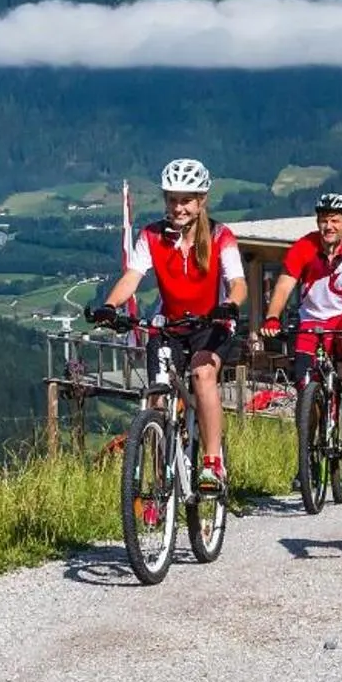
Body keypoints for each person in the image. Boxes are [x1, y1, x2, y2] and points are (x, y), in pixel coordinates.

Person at [91, 157, 246, 492]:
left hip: (211, 324)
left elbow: (238, 283)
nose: (178, 207)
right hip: (170, 326)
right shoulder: (152, 236)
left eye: (186, 200)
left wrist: (229, 305)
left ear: (201, 200)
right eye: (172, 199)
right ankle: (162, 482)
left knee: (204, 374)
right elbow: (132, 277)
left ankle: (212, 462)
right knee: (157, 399)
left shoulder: (221, 236)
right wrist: (109, 305)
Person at [259, 192, 342, 434]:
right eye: (324, 220)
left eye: (335, 220)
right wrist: (272, 317)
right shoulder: (304, 247)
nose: (329, 226)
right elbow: (284, 284)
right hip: (313, 319)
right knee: (304, 383)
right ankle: (308, 449)